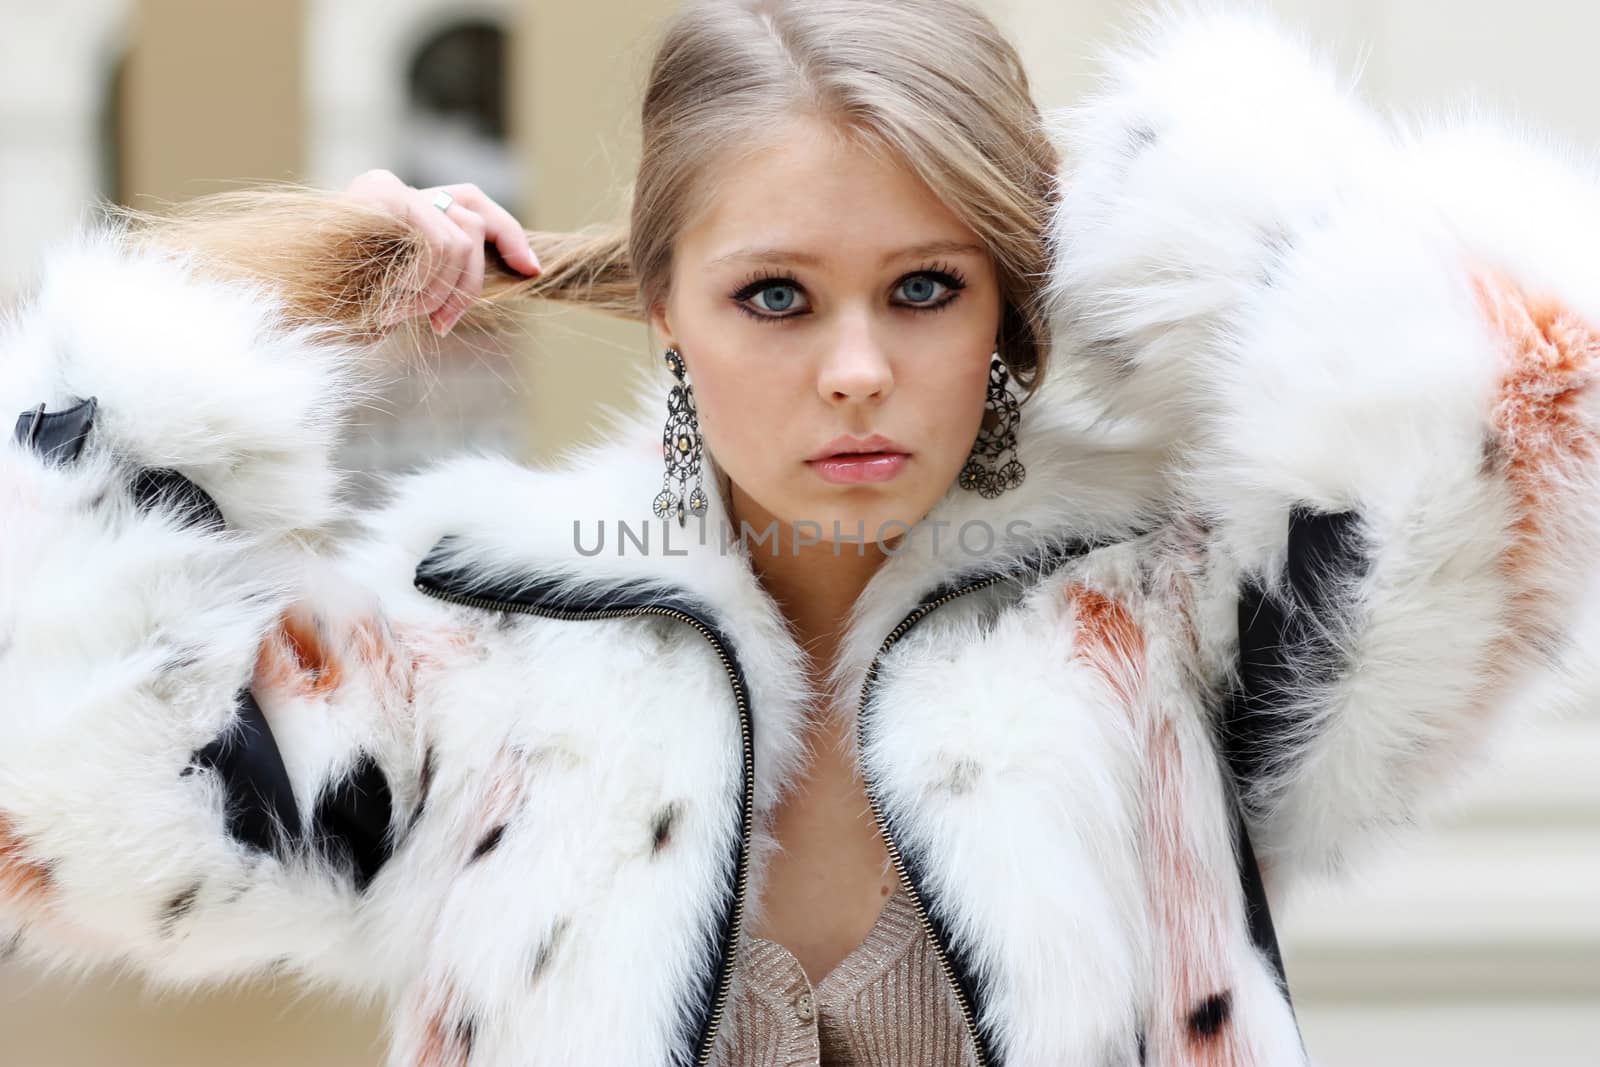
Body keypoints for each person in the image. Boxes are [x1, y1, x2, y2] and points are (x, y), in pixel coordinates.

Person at [2, 3, 1595, 1065]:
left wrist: (1171, 215)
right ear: (671, 313)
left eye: (926, 288)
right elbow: (68, 799)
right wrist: (236, 332)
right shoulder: (481, 642)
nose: (856, 368)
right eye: (776, 294)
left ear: (1009, 308)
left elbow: (1506, 417)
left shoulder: (1166, 623)